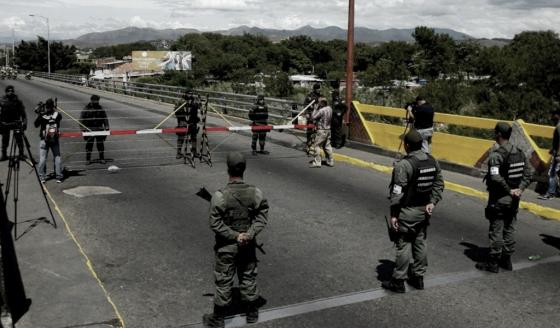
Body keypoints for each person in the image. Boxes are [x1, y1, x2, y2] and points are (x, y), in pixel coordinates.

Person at [203, 152, 269, 327]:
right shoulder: (255, 192)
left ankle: (218, 318)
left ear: (228, 169)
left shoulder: (220, 196)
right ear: (244, 169)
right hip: (247, 245)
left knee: (224, 279)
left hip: (226, 247)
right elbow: (262, 216)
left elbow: (215, 223)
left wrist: (234, 236)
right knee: (248, 276)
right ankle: (252, 313)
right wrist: (249, 234)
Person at [383, 129, 444, 293]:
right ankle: (418, 277)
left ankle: (398, 280)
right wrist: (433, 201)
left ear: (407, 145)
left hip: (407, 211)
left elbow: (397, 193)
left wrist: (394, 215)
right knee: (420, 242)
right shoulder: (432, 160)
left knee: (403, 244)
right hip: (424, 211)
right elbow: (439, 184)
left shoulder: (404, 165)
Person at [476, 122, 532, 273]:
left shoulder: (497, 155)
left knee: (496, 228)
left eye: (495, 132)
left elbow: (495, 177)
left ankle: (493, 262)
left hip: (500, 199)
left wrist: (509, 190)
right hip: (514, 199)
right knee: (510, 228)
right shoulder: (520, 153)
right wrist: (519, 189)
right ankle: (506, 260)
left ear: (498, 134)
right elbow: (529, 173)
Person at [34, 99, 63, 183]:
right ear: (53, 106)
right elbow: (59, 118)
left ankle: (42, 177)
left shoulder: (42, 115)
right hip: (54, 139)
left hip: (44, 140)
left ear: (46, 107)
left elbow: (36, 125)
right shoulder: (58, 115)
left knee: (43, 159)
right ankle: (58, 176)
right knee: (57, 157)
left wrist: (39, 113)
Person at [80, 95, 109, 165]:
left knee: (100, 144)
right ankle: (88, 159)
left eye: (97, 101)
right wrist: (83, 129)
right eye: (95, 101)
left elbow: (105, 118)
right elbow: (81, 120)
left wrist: (107, 127)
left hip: (99, 128)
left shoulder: (100, 108)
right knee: (89, 145)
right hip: (89, 129)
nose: (96, 103)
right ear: (91, 100)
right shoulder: (86, 108)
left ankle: (102, 158)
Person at [0, 85, 27, 161]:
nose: (10, 92)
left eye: (12, 90)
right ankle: (4, 155)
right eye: (8, 90)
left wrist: (25, 123)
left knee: (19, 140)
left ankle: (21, 154)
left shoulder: (17, 101)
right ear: (6, 91)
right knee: (5, 140)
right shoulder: (2, 100)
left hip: (16, 123)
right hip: (5, 123)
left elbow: (23, 113)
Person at [538, 109, 560, 200]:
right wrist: (553, 149)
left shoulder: (559, 126)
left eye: (554, 115)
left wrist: (558, 154)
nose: (552, 117)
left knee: (553, 173)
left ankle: (550, 193)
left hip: (558, 155)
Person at [309, 98, 334, 168]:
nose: (318, 104)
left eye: (319, 103)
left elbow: (313, 117)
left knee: (316, 146)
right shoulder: (330, 108)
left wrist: (315, 109)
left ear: (322, 103)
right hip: (328, 129)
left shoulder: (321, 110)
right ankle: (330, 161)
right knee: (327, 146)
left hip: (321, 130)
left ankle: (317, 162)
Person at [303, 83, 322, 156]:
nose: (319, 90)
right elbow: (305, 105)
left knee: (317, 132)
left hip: (318, 117)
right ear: (315, 89)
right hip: (311, 116)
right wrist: (307, 113)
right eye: (318, 88)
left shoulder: (321, 96)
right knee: (310, 132)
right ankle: (308, 146)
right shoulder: (309, 96)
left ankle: (315, 148)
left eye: (319, 88)